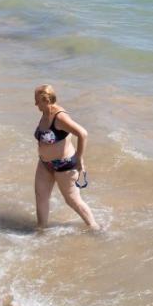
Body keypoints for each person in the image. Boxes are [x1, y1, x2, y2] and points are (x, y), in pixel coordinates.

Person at [33, 84, 98, 230]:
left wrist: (79, 158)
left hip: (64, 166)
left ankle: (95, 228)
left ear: (46, 100)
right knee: (40, 196)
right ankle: (40, 230)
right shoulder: (45, 113)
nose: (35, 104)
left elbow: (83, 134)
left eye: (37, 100)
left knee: (72, 200)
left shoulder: (60, 117)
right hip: (44, 164)